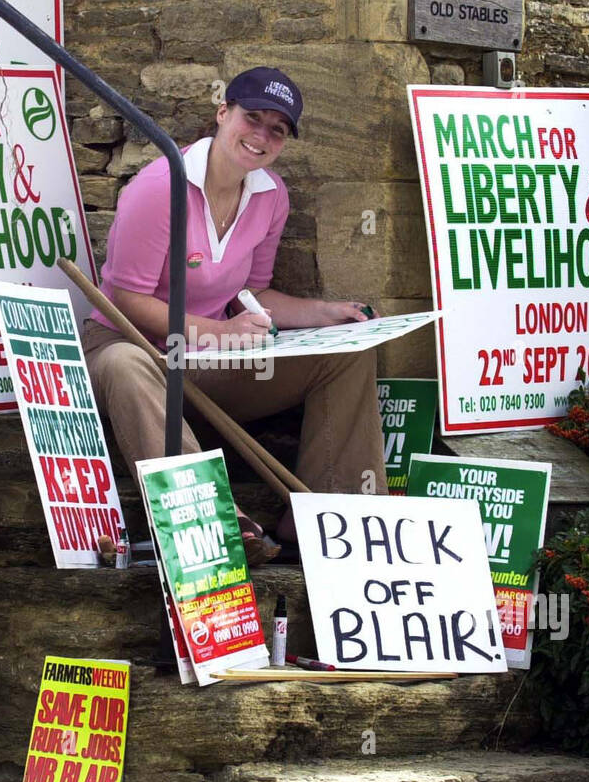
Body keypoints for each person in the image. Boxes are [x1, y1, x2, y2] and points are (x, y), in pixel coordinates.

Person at [80, 66, 387, 565]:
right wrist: (221, 330)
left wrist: (325, 313)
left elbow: (255, 290)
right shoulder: (161, 186)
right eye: (252, 118)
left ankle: (332, 519)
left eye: (277, 129)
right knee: (123, 364)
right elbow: (126, 299)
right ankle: (210, 520)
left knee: (347, 355)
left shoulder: (270, 196)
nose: (261, 135)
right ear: (222, 114)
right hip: (133, 348)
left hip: (206, 359)